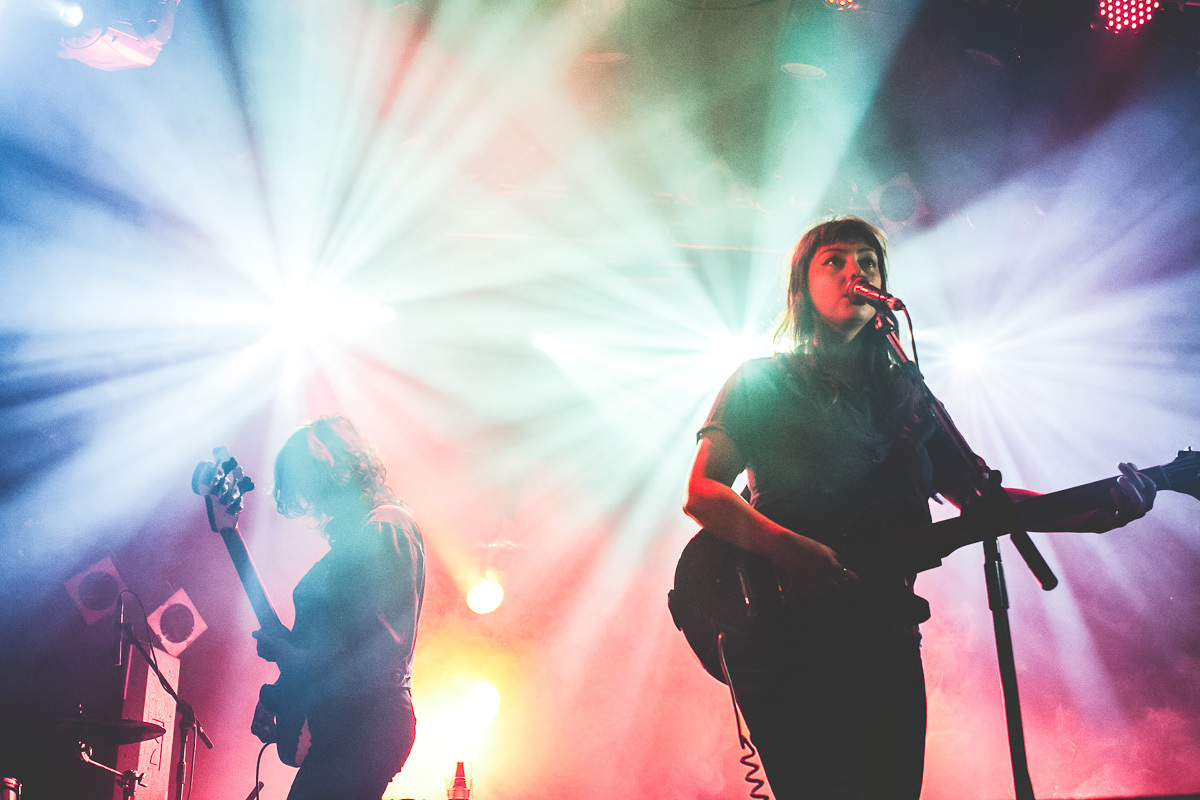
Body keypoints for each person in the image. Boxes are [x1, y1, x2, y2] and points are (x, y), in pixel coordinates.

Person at [681, 216, 1157, 800]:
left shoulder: (909, 399)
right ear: (802, 287)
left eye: (869, 261)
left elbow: (986, 500)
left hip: (886, 634)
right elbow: (702, 492)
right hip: (785, 635)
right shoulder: (760, 381)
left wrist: (1103, 509)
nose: (856, 271)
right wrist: (786, 547)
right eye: (834, 260)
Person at [212, 415, 425, 800]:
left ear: (343, 472)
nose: (315, 505)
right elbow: (327, 645)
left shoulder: (386, 527)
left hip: (368, 723)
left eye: (315, 489)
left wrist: (291, 655)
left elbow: (379, 650)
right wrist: (279, 693)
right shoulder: (349, 547)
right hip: (345, 724)